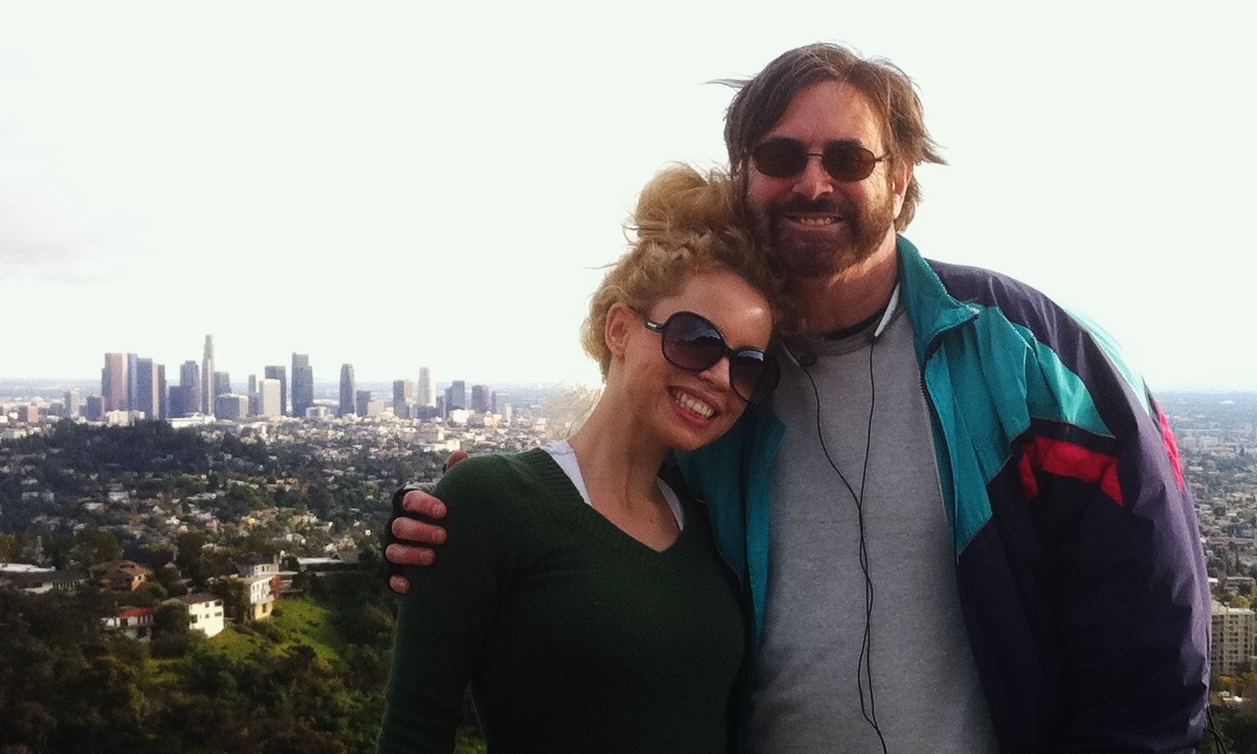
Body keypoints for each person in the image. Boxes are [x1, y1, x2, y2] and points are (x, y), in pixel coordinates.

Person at [386, 44, 1211, 753]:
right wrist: (438, 528)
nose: (813, 182)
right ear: (745, 174)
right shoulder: (731, 378)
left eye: (848, 159)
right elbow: (599, 503)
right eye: (781, 157)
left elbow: (1152, 629)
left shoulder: (1027, 350)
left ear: (900, 179)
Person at [377, 164, 792, 753]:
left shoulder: (709, 523)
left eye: (749, 365)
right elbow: (413, 733)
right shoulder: (492, 500)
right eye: (696, 339)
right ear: (620, 329)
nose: (720, 377)